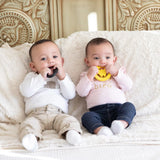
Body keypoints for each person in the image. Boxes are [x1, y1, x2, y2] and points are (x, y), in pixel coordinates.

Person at [19, 39, 82, 152]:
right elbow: (26, 92)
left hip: (58, 114)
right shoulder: (32, 77)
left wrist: (62, 78)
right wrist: (41, 77)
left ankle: (71, 133)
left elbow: (70, 95)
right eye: (43, 58)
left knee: (69, 120)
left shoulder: (62, 77)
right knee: (28, 125)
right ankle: (31, 138)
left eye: (54, 57)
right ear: (33, 66)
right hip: (36, 115)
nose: (50, 61)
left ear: (61, 61)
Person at [76, 37, 136, 137]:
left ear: (114, 59)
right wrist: (89, 76)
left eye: (107, 57)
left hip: (118, 109)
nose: (103, 61)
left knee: (129, 106)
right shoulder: (86, 75)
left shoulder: (118, 73)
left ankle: (121, 123)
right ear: (87, 62)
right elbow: (81, 92)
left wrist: (116, 73)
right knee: (86, 117)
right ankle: (100, 129)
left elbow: (128, 86)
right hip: (97, 112)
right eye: (96, 58)